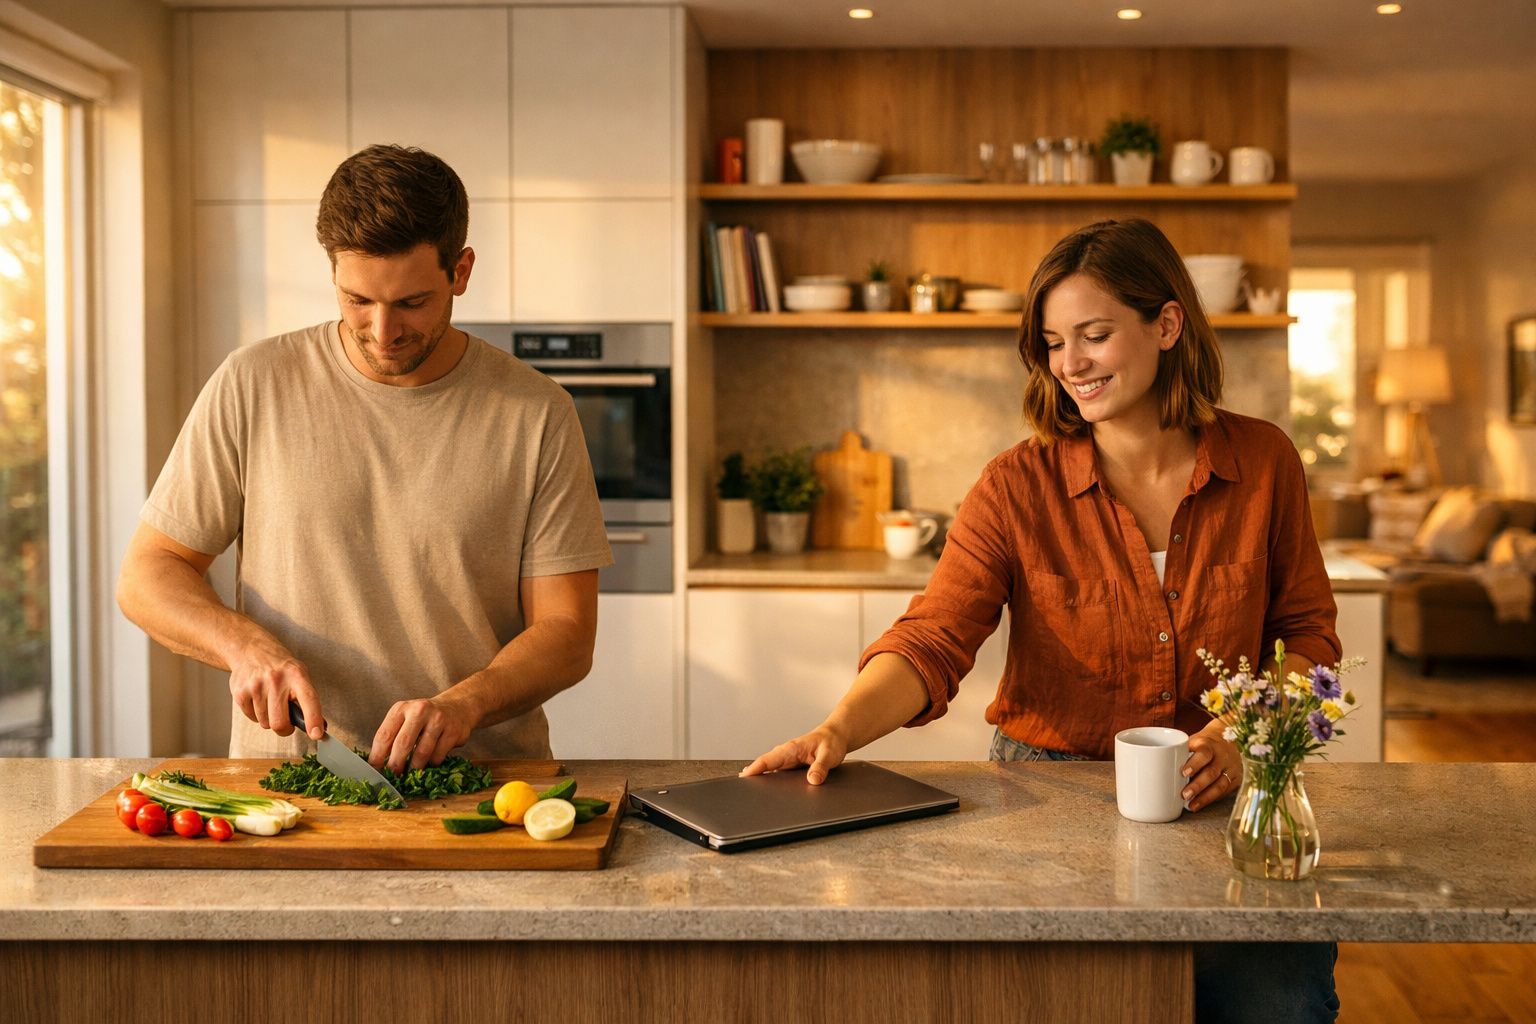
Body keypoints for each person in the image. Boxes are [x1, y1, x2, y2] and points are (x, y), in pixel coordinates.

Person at [744, 218, 1342, 1023]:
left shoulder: (1265, 463)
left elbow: (1307, 635)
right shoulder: (1015, 487)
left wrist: (1242, 734)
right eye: (1054, 343)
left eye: (1095, 335)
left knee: (1278, 1009)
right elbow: (935, 637)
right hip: (1048, 805)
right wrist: (839, 730)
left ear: (1166, 325)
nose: (1072, 365)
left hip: (1228, 800)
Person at [117, 144, 612, 772]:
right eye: (357, 301)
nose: (383, 331)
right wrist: (241, 646)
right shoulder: (253, 385)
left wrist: (464, 705)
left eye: (412, 302)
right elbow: (148, 574)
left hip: (482, 784)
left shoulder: (537, 412)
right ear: (332, 273)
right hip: (292, 782)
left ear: (460, 272)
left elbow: (567, 634)